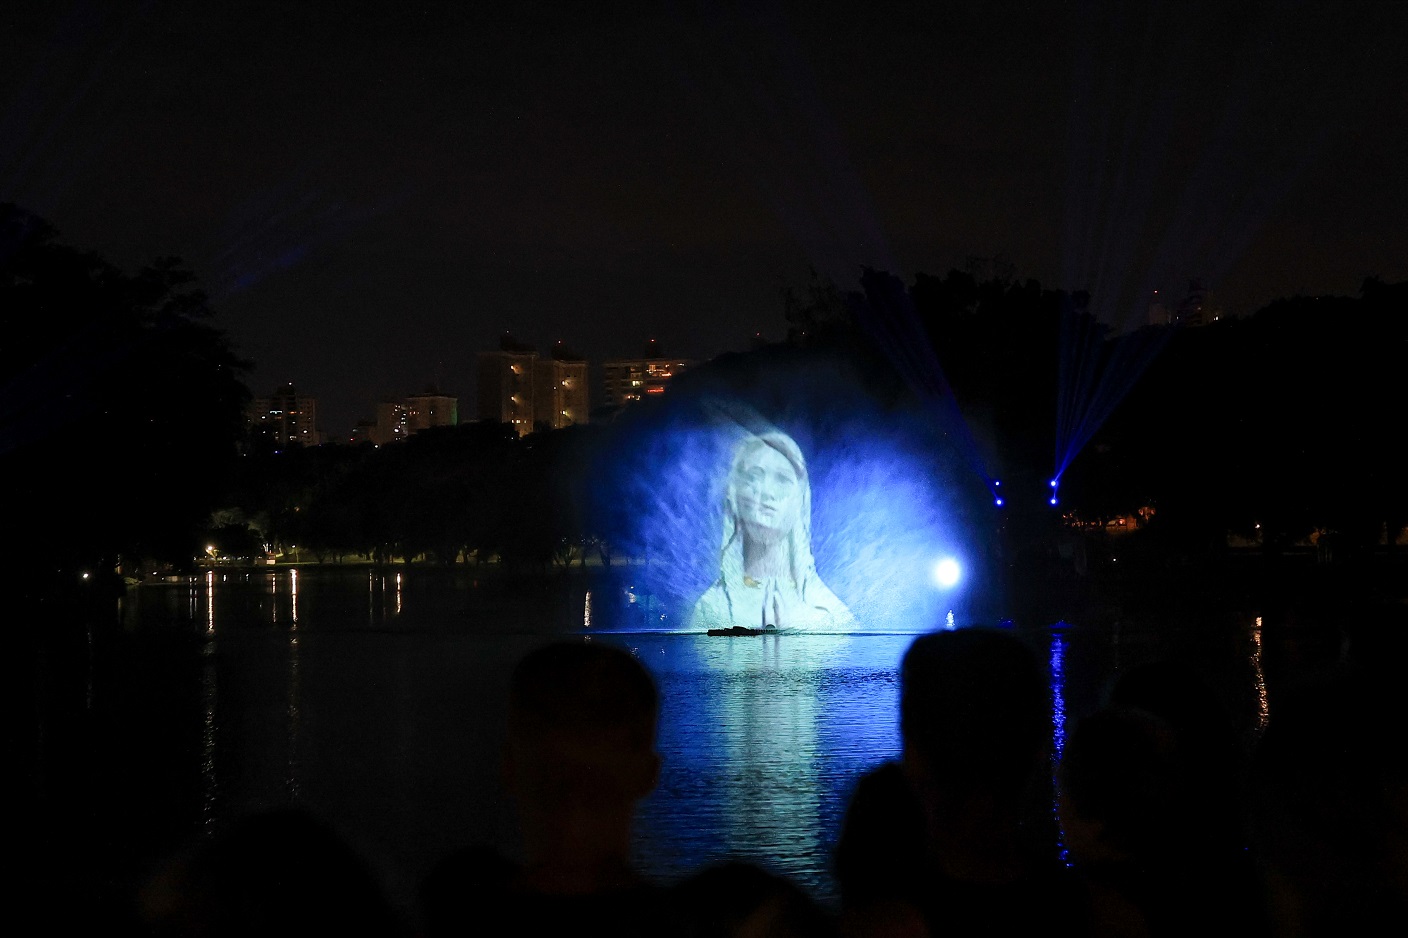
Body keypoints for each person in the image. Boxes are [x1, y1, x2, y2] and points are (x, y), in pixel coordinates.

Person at [420, 640, 676, 937]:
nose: (573, 829)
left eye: (598, 796)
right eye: (551, 795)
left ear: (509, 768)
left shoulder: (451, 913)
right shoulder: (682, 924)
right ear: (649, 775)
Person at [687, 430, 855, 632]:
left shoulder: (832, 614)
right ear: (735, 496)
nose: (767, 492)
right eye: (753, 478)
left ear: (801, 499)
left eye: (782, 479)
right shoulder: (711, 609)